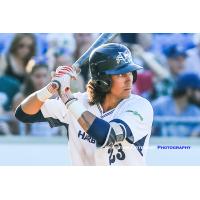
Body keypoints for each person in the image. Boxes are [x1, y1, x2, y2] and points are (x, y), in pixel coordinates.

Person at [15, 43, 153, 166]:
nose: (129, 79)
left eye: (130, 73)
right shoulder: (79, 101)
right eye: (120, 75)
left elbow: (107, 134)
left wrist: (68, 99)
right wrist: (50, 88)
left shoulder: (140, 106)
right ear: (102, 80)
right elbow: (23, 114)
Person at [13, 63, 60, 136]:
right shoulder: (20, 98)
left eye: (45, 76)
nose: (42, 80)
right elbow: (18, 127)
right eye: (37, 76)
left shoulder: (59, 96)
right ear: (29, 77)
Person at [153, 72, 200, 137]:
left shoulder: (196, 112)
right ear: (189, 91)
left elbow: (192, 141)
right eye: (198, 90)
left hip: (184, 147)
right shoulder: (159, 105)